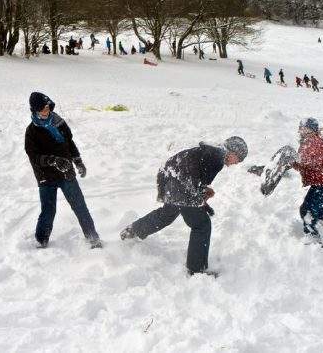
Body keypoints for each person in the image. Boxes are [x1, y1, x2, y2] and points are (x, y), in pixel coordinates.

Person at [120, 137, 248, 276]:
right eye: (239, 159)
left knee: (166, 215)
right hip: (179, 183)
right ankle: (196, 270)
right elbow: (192, 177)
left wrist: (202, 194)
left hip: (170, 177)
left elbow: (195, 174)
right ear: (233, 152)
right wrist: (200, 196)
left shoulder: (214, 152)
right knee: (201, 224)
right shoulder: (217, 157)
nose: (237, 163)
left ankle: (132, 230)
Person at [25, 92, 102, 249]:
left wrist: (78, 161)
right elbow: (34, 157)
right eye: (42, 109)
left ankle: (93, 238)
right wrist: (53, 161)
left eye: (47, 108)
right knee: (48, 211)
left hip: (66, 172)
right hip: (46, 177)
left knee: (80, 206)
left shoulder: (59, 122)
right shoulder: (31, 131)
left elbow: (70, 143)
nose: (46, 111)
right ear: (35, 110)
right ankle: (41, 240)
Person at [292, 118, 323, 245]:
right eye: (301, 128)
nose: (302, 131)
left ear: (312, 130)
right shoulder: (306, 143)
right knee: (313, 206)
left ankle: (313, 237)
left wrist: (296, 162)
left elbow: (311, 162)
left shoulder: (316, 142)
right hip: (320, 181)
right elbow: (303, 164)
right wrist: (293, 163)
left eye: (305, 128)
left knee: (308, 210)